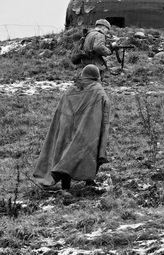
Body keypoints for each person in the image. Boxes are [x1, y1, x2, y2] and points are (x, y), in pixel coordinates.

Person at [33, 64, 110, 196]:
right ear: (96, 77)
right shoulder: (98, 90)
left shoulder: (69, 91)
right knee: (90, 150)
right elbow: (104, 109)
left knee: (65, 152)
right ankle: (89, 181)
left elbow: (60, 113)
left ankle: (66, 187)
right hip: (88, 130)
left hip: (66, 129)